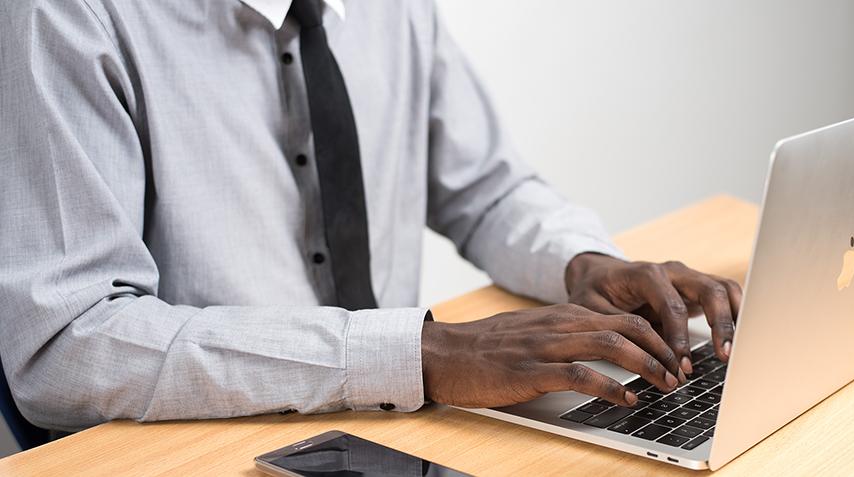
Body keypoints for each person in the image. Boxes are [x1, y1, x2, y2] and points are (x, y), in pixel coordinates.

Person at [0, 0, 740, 433]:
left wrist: (583, 264)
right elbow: (66, 341)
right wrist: (424, 354)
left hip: (391, 423)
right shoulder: (66, 16)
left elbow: (483, 185)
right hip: (205, 439)